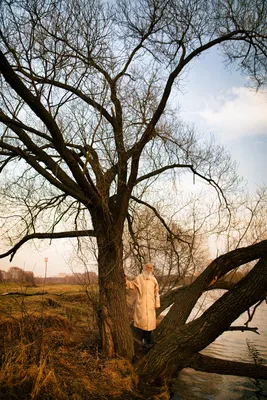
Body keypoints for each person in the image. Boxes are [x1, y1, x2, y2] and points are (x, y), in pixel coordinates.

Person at [125, 263, 160, 347]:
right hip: (142, 303)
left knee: (150, 322)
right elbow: (132, 285)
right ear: (144, 268)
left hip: (151, 303)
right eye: (147, 267)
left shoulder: (154, 280)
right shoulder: (139, 278)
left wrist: (157, 303)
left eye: (150, 268)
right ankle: (144, 340)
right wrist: (125, 281)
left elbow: (157, 292)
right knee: (143, 322)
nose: (149, 269)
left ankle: (149, 339)